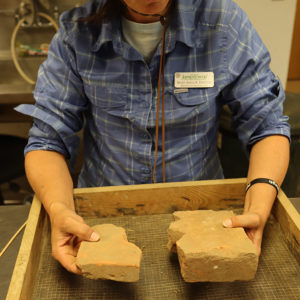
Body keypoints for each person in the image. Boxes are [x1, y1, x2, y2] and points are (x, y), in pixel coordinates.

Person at [16, 0, 290, 274]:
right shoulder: (75, 32)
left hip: (203, 216)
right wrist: (60, 208)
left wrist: (259, 203)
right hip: (103, 217)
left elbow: (267, 126)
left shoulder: (222, 22)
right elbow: (47, 142)